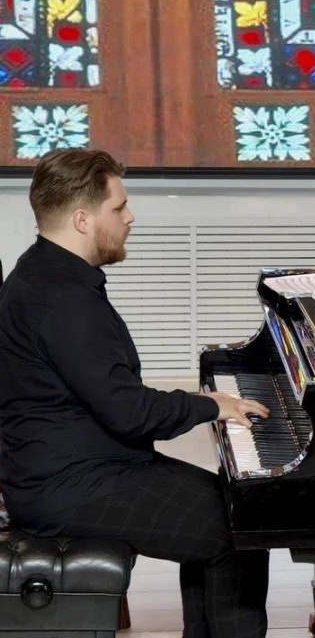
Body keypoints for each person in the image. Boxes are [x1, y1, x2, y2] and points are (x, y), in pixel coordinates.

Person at [0, 148, 273, 637]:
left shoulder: (44, 272)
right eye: (119, 207)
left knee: (230, 508)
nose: (130, 217)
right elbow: (129, 412)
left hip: (75, 466)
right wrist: (210, 405)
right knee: (240, 527)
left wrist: (202, 405)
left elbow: (112, 395)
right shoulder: (61, 298)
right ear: (83, 220)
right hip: (69, 488)